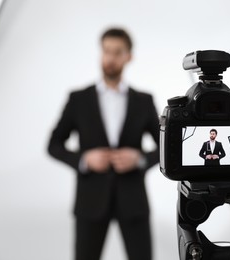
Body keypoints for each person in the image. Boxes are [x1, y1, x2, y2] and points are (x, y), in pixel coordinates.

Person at [47, 27, 159, 260]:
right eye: (106, 51)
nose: (110, 57)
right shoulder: (78, 99)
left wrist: (139, 159)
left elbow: (167, 148)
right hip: (90, 201)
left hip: (133, 201)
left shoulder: (144, 101)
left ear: (129, 57)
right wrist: (83, 160)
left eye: (118, 52)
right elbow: (54, 144)